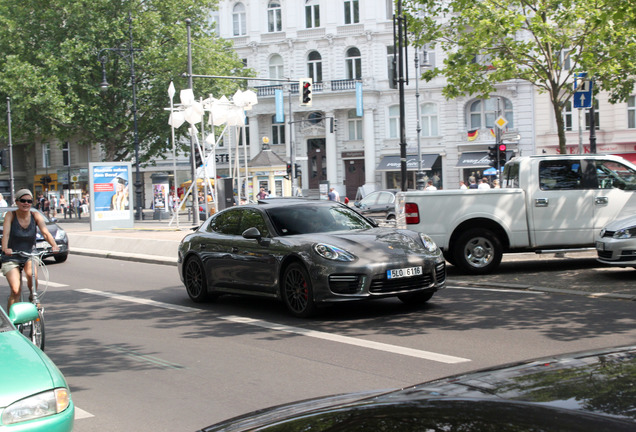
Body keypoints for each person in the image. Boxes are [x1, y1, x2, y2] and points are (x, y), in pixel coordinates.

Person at [1, 189, 59, 312]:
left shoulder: (35, 215)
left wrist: (54, 245)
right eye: (23, 200)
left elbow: (45, 233)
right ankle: (12, 322)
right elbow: (5, 234)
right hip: (12, 255)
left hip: (29, 254)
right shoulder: (10, 215)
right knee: (16, 290)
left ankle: (33, 298)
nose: (26, 203)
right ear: (17, 202)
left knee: (32, 276)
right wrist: (5, 248)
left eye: (29, 201)